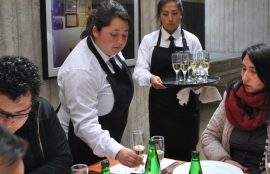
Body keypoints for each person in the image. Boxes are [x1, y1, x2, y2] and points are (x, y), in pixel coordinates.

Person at [57, 0, 143, 167]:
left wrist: (114, 150)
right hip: (78, 147)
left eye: (125, 35)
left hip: (104, 146)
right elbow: (85, 125)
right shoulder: (81, 69)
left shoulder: (111, 50)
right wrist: (117, 151)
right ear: (95, 30)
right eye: (114, 34)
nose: (120, 41)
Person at [133, 0, 202, 161]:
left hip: (187, 108)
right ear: (159, 16)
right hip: (160, 108)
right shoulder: (149, 40)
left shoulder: (192, 40)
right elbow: (139, 70)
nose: (170, 19)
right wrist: (150, 78)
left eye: (175, 13)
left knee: (187, 154)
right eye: (165, 14)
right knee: (160, 154)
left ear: (181, 14)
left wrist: (198, 82)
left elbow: (201, 70)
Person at [201, 43, 270, 174]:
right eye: (244, 69)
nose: (245, 77)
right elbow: (209, 136)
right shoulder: (233, 95)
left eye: (254, 71)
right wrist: (224, 161)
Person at [0, 55, 73, 173]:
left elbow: (62, 159)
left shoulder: (41, 110)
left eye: (19, 114)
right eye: (2, 113)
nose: (9, 123)